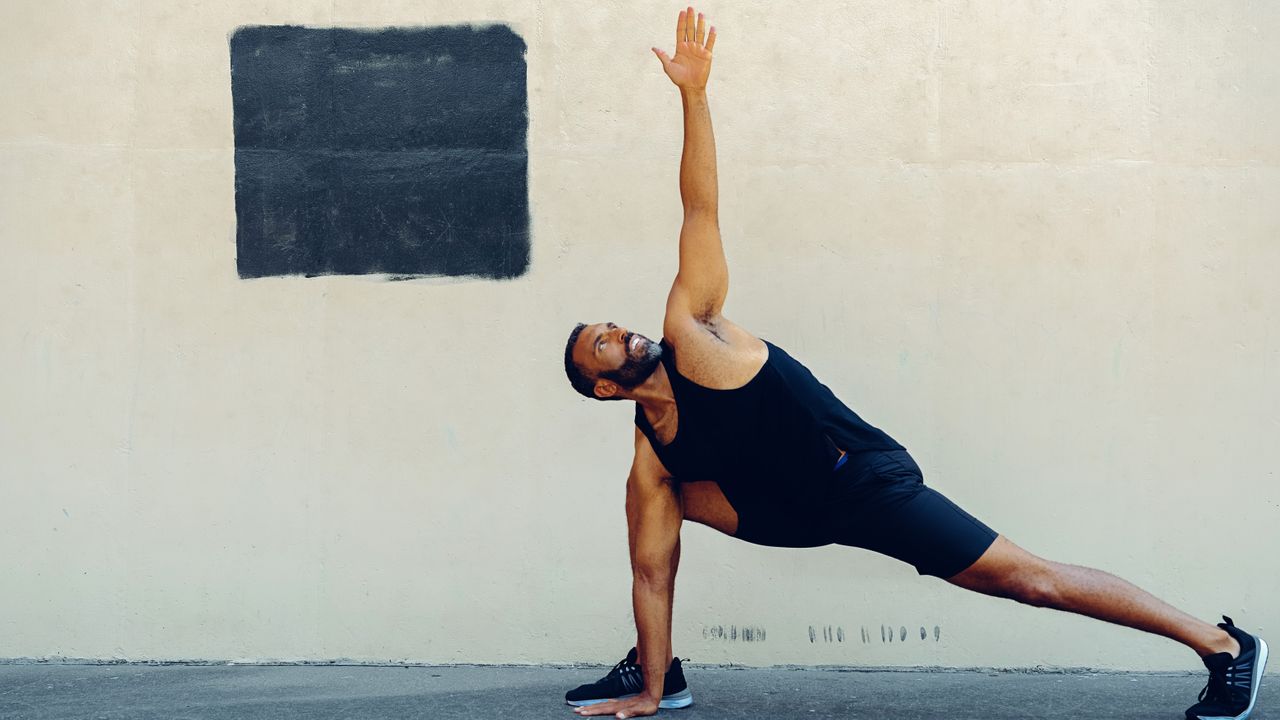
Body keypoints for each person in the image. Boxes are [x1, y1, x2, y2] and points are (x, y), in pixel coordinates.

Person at [561, 8, 1267, 720]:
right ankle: (657, 671)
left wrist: (694, 95)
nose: (622, 333)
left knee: (1030, 580)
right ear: (603, 386)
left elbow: (700, 210)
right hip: (791, 509)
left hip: (863, 482)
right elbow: (652, 573)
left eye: (614, 326)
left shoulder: (694, 335)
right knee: (655, 508)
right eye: (605, 343)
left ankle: (1222, 646)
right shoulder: (652, 451)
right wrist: (650, 698)